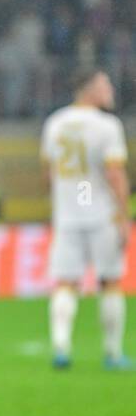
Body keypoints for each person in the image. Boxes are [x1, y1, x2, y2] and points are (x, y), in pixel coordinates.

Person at [42, 69, 131, 369]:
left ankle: (61, 348)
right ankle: (112, 353)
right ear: (90, 89)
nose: (110, 90)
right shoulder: (107, 126)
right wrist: (123, 216)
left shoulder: (55, 123)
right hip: (101, 215)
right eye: (105, 85)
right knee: (110, 282)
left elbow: (48, 174)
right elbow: (115, 174)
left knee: (66, 283)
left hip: (67, 215)